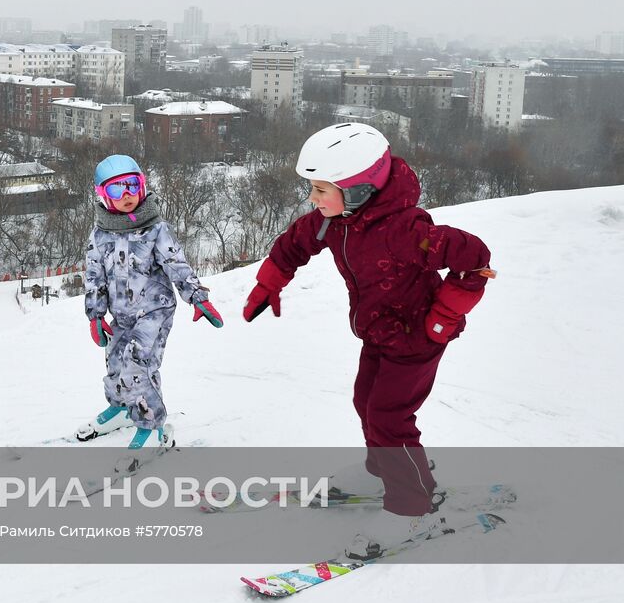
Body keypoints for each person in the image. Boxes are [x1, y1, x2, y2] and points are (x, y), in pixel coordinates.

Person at [242, 123, 495, 558]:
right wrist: (270, 282)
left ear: (358, 188)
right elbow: (293, 244)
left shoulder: (406, 230)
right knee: (366, 403)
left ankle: (414, 506)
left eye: (321, 189)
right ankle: (383, 470)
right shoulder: (335, 222)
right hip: (378, 332)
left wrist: (444, 316)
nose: (313, 199)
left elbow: (476, 260)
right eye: (313, 188)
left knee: (389, 418)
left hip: (417, 338)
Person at [82, 154, 223, 452]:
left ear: (143, 186)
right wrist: (95, 315)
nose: (127, 196)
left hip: (154, 311)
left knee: (138, 366)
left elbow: (176, 263)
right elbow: (95, 276)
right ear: (103, 196)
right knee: (116, 362)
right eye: (117, 190)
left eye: (132, 186)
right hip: (121, 315)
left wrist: (197, 297)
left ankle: (152, 426)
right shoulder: (100, 235)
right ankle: (122, 408)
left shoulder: (156, 229)